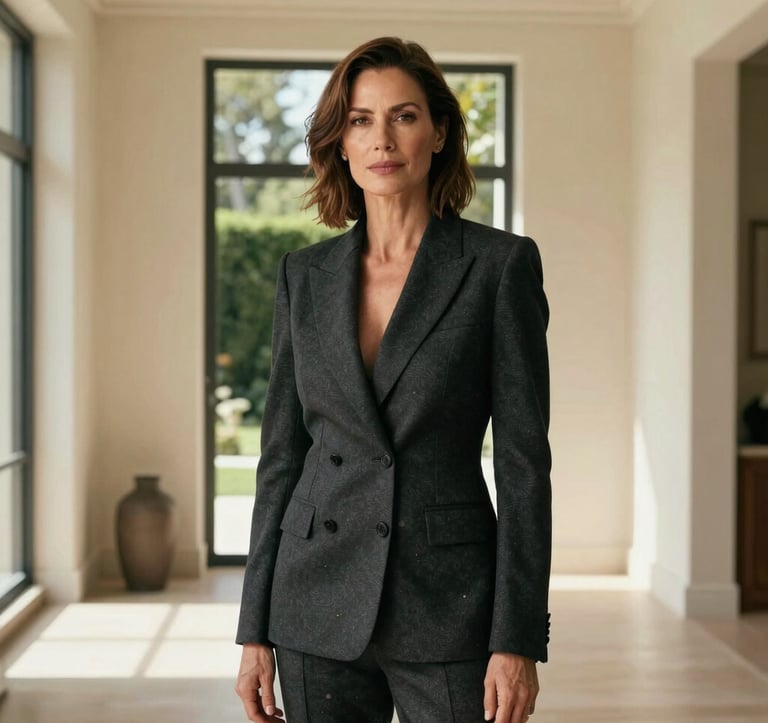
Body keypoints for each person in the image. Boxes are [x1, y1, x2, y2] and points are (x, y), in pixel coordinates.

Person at [235, 36, 552, 723]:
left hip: (450, 602)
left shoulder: (498, 268)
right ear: (340, 142)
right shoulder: (304, 276)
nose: (383, 137)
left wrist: (517, 635)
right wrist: (253, 628)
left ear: (438, 131)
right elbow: (282, 458)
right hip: (313, 601)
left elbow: (525, 465)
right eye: (360, 119)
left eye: (404, 116)